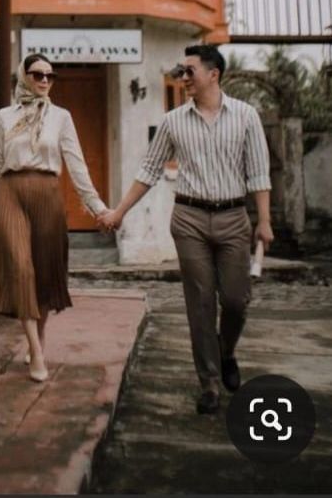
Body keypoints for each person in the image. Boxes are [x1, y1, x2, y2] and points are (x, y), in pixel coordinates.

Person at [98, 44, 273, 415]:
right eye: (181, 70)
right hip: (189, 218)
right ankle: (209, 383)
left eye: (190, 70)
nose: (183, 77)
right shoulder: (173, 121)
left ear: (214, 74)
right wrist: (120, 212)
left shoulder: (245, 116)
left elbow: (259, 173)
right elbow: (148, 171)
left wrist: (265, 222)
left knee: (237, 300)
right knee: (201, 302)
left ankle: (226, 353)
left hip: (233, 218)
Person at [0, 53, 109, 383]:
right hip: (10, 193)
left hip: (47, 193)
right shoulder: (4, 117)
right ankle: (36, 351)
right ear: (23, 76)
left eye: (50, 76)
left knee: (43, 273)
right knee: (22, 268)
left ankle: (38, 340)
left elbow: (76, 164)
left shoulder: (61, 117)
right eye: (37, 74)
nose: (44, 81)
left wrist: (98, 208)